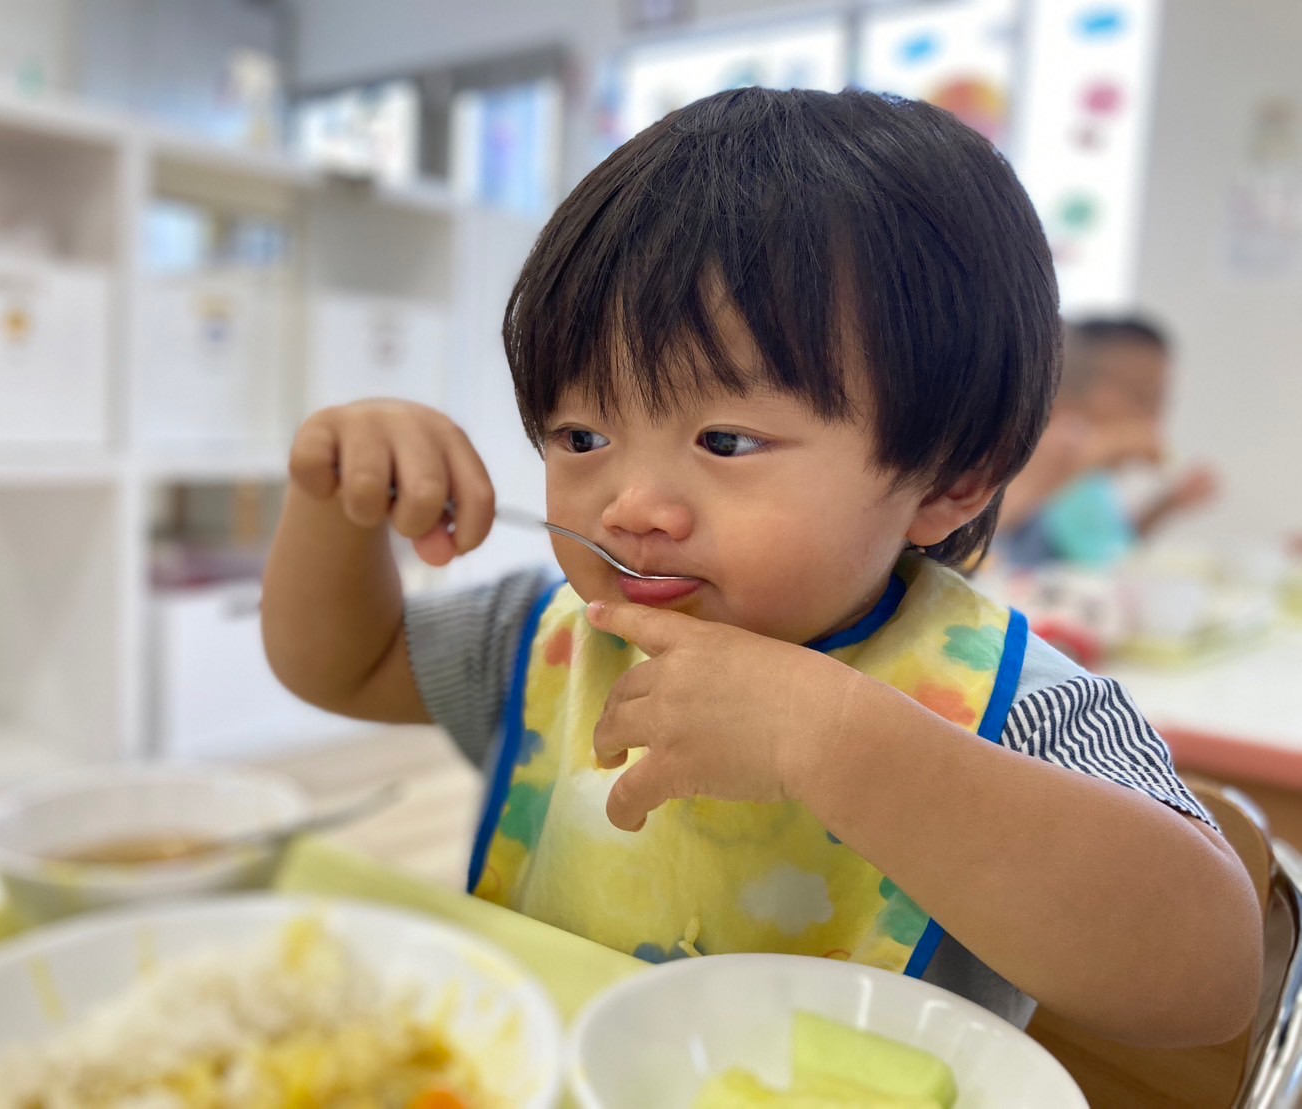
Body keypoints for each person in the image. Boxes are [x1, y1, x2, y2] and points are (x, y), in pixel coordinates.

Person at [262, 88, 1259, 1046]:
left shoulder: (1018, 706)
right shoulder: (547, 635)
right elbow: (345, 664)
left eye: (726, 441)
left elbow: (1208, 978)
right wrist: (335, 503)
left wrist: (836, 741)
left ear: (949, 478)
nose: (630, 505)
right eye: (581, 436)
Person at [998, 317, 1219, 567]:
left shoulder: (1093, 481)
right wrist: (1099, 450)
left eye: (1161, 401)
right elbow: (981, 533)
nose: (1154, 416)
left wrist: (1167, 504)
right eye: (1142, 397)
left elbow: (1111, 550)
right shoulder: (1040, 452)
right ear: (1070, 388)